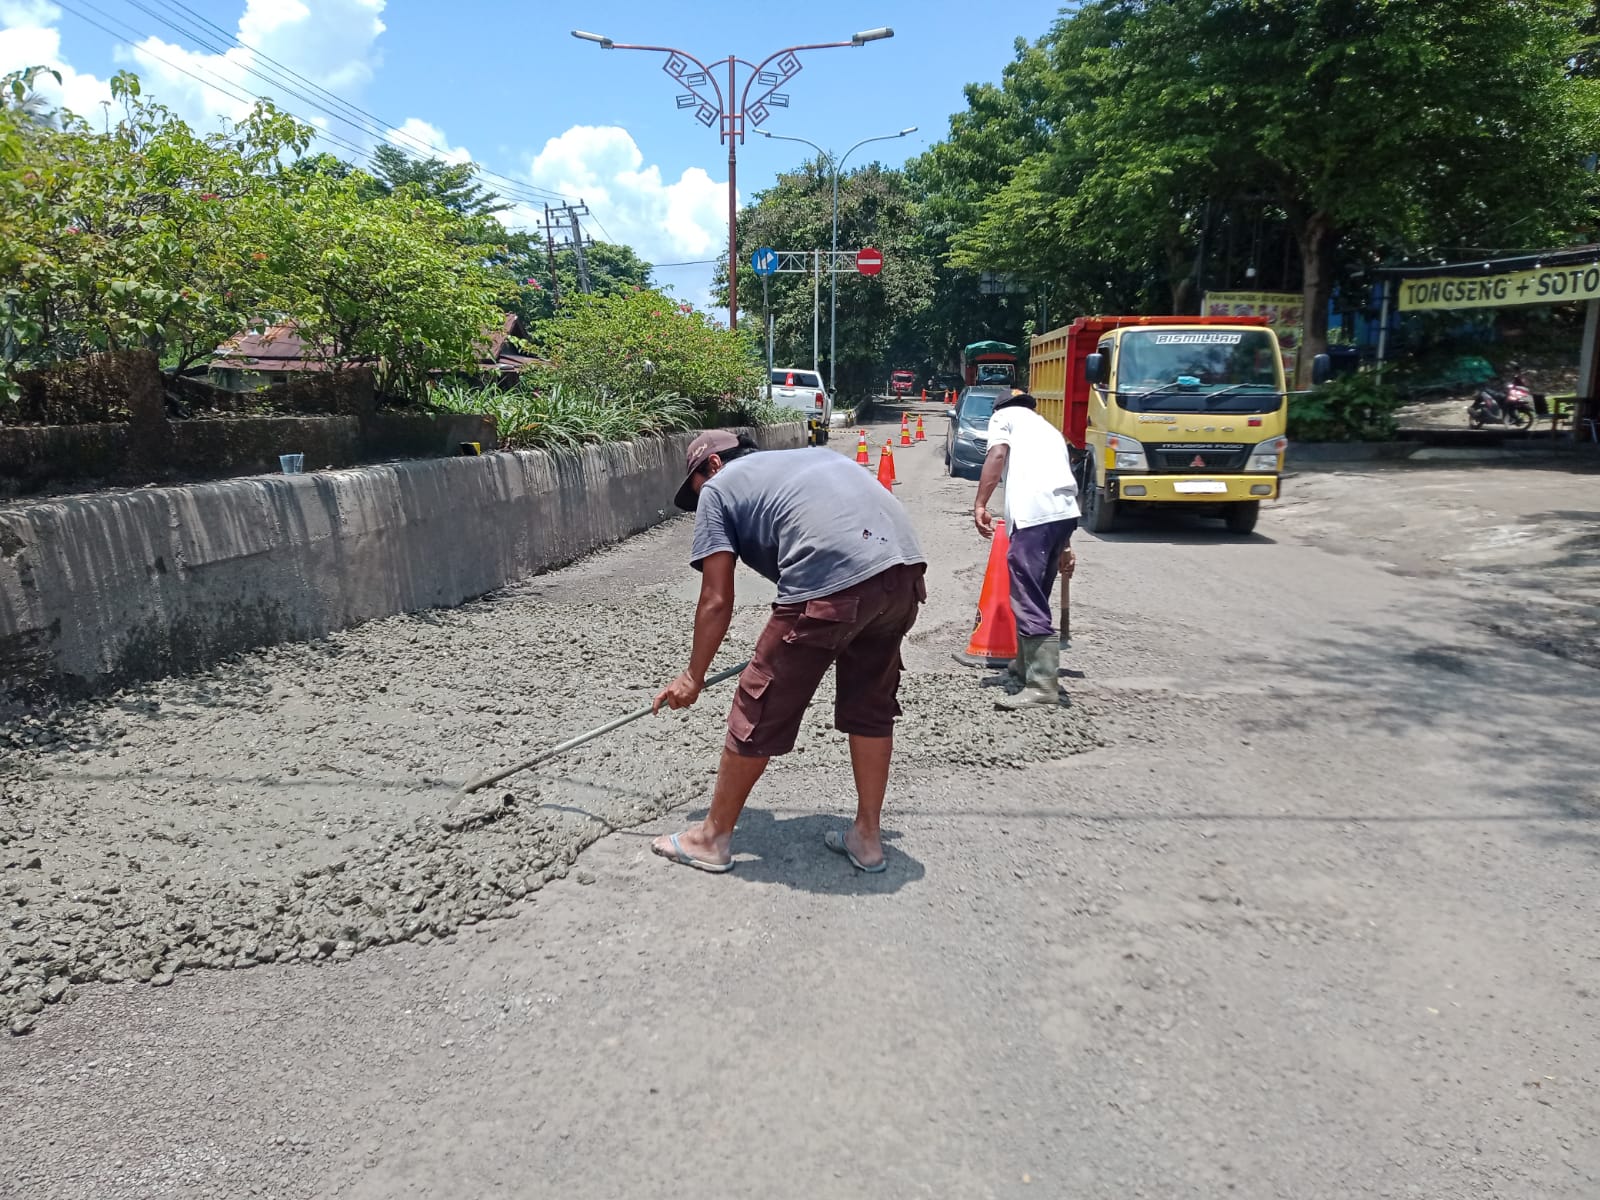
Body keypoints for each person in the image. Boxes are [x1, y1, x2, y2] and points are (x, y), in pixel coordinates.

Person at [650, 430, 927, 875]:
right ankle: (868, 839)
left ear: (715, 465)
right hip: (904, 572)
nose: (699, 499)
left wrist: (693, 676)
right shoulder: (807, 460)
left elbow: (716, 600)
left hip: (833, 577)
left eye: (696, 484)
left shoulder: (719, 489)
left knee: (757, 699)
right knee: (870, 704)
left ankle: (711, 837)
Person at [973, 391, 1079, 709]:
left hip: (1034, 516)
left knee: (1025, 593)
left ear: (1000, 409)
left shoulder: (1004, 418)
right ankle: (1024, 663)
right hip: (1064, 514)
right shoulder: (1047, 428)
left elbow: (997, 455)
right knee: (1037, 590)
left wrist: (980, 503)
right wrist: (1066, 545)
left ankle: (1042, 685)